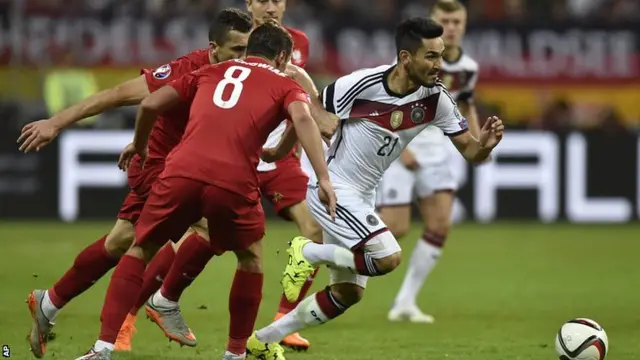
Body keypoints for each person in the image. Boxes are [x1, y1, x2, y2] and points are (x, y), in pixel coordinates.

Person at [76, 21, 335, 360]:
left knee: (141, 247)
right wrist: (323, 177)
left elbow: (150, 105)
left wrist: (140, 146)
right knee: (252, 256)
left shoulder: (209, 70)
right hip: (234, 178)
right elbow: (303, 120)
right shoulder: (285, 82)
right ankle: (235, 353)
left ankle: (103, 347)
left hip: (180, 171)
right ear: (283, 56)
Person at [245, 17, 504, 357]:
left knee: (347, 295)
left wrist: (485, 144)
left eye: (440, 56)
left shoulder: (436, 100)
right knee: (387, 258)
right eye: (430, 56)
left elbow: (471, 151)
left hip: (364, 195)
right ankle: (307, 253)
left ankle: (263, 339)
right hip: (333, 190)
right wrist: (281, 151)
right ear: (405, 58)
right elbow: (309, 110)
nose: (438, 65)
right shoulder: (362, 84)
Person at [20, 9, 253, 359]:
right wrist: (56, 122)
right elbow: (117, 94)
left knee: (119, 242)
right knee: (210, 228)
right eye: (236, 50)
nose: (243, 58)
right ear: (213, 48)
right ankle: (162, 303)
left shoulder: (243, 73)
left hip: (189, 168)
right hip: (161, 167)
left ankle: (49, 303)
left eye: (247, 49)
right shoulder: (185, 69)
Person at [378, 0, 482, 324]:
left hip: (438, 152)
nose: (450, 27)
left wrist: (480, 144)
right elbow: (384, 103)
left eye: (456, 21)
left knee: (439, 225)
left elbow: (466, 104)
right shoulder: (410, 61)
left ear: (464, 25)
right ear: (432, 24)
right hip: (401, 148)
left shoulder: (468, 69)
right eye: (444, 21)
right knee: (395, 228)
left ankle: (405, 302)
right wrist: (399, 147)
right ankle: (343, 264)